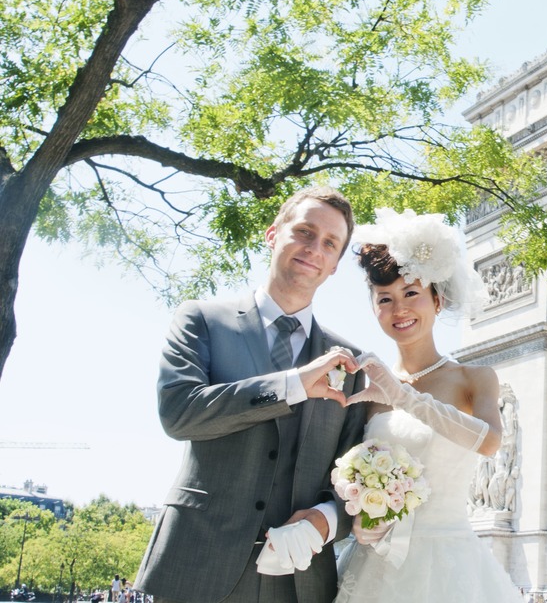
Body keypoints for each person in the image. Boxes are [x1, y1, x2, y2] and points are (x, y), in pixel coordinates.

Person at [135, 186, 368, 603]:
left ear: (335, 265)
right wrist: (292, 385)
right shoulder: (200, 321)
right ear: (273, 233)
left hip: (299, 577)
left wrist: (325, 519)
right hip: (198, 567)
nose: (315, 248)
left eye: (330, 244)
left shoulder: (349, 365)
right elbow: (178, 413)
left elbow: (353, 481)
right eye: (304, 232)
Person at [333, 209, 524, 601]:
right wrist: (355, 517)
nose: (399, 309)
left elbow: (489, 442)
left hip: (451, 566)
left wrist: (405, 398)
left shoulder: (475, 378)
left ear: (437, 300)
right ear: (373, 308)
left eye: (411, 293)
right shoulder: (365, 389)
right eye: (384, 298)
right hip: (374, 564)